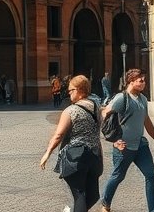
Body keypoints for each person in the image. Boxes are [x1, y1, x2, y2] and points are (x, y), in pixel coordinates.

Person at [100, 68, 154, 212]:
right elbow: (104, 115)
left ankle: (153, 210)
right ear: (131, 81)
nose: (144, 83)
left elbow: (146, 122)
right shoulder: (121, 98)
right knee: (118, 176)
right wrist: (114, 141)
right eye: (140, 80)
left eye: (144, 80)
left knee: (151, 175)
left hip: (141, 146)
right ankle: (105, 204)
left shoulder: (142, 99)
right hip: (124, 147)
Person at [40, 75, 103, 212]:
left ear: (79, 90)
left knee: (79, 195)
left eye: (70, 90)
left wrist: (47, 153)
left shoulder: (71, 111)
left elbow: (58, 135)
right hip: (94, 155)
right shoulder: (96, 107)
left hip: (76, 157)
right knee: (92, 195)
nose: (69, 93)